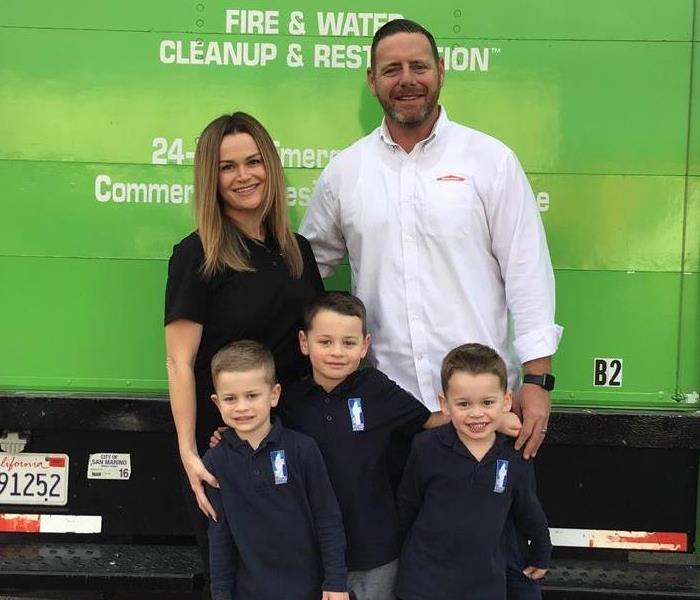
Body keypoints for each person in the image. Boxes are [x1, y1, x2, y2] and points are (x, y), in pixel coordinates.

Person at [299, 19, 562, 460]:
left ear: (440, 70)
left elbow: (527, 272)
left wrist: (537, 382)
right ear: (371, 80)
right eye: (391, 69)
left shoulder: (490, 161)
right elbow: (304, 271)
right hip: (387, 415)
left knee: (481, 531)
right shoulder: (346, 172)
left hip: (480, 411)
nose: (407, 80)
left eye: (418, 66)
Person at [164, 111, 323, 589]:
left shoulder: (297, 250)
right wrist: (190, 454)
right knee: (233, 577)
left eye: (253, 161)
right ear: (210, 179)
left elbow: (316, 346)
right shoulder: (198, 255)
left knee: (295, 573)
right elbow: (179, 362)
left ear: (271, 167)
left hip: (290, 440)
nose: (243, 176)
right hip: (226, 444)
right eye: (227, 167)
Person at [277, 292, 521, 600]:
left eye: (349, 343)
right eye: (325, 342)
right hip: (313, 550)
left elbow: (428, 420)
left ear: (365, 346)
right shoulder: (290, 401)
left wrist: (490, 418)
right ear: (304, 342)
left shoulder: (376, 389)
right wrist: (227, 434)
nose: (337, 352)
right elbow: (261, 432)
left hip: (377, 551)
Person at [396, 343, 551, 600]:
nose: (476, 413)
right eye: (464, 404)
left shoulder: (513, 453)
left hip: (483, 584)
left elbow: (528, 507)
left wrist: (542, 550)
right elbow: (407, 506)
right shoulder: (426, 447)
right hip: (424, 584)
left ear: (507, 401)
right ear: (445, 405)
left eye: (487, 402)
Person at [203, 340, 349, 600]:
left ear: (274, 394)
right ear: (217, 402)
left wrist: (335, 581)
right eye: (230, 398)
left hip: (309, 590)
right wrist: (220, 594)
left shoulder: (303, 449)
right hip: (249, 592)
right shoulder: (214, 463)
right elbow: (220, 537)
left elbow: (327, 518)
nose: (241, 407)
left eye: (252, 395)